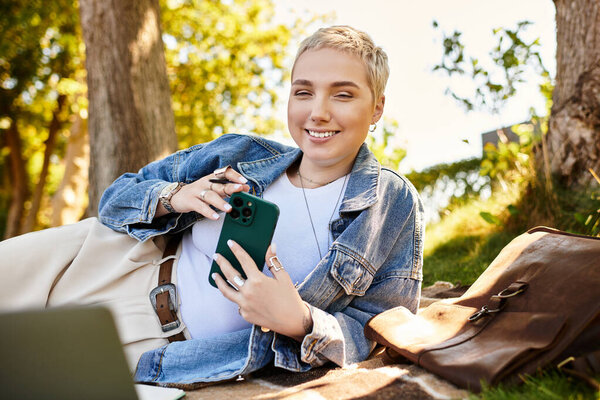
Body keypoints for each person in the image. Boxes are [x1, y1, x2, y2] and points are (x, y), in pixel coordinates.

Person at [0, 25, 424, 385]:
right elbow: (116, 198)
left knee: (22, 377)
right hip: (107, 263)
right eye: (303, 92)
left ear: (377, 108)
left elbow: (385, 329)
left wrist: (301, 322)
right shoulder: (240, 153)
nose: (317, 112)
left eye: (343, 95)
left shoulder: (390, 204)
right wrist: (173, 196)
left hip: (167, 353)